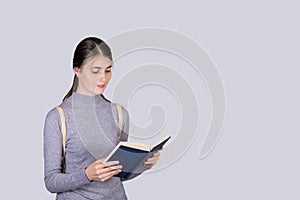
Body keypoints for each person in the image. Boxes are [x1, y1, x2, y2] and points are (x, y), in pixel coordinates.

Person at [43, 36, 161, 200]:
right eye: (95, 71)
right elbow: (51, 181)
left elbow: (119, 174)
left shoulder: (119, 113)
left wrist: (143, 165)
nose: (103, 78)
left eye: (108, 70)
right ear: (77, 71)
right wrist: (87, 175)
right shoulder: (57, 117)